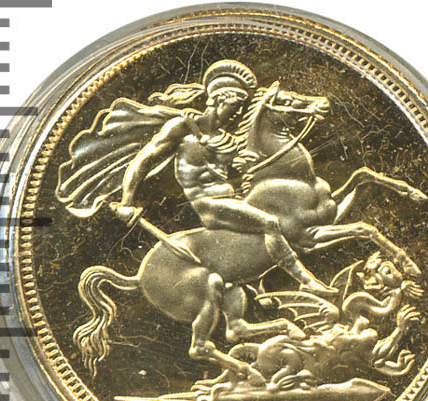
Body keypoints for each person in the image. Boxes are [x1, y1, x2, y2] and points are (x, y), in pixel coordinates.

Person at [110, 60, 334, 296]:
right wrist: (126, 202)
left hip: (233, 199)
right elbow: (144, 160)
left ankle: (255, 283)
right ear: (218, 100)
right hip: (208, 204)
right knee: (270, 223)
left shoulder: (227, 138)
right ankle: (306, 280)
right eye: (235, 104)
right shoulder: (182, 128)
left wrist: (303, 115)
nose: (237, 112)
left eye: (241, 106)